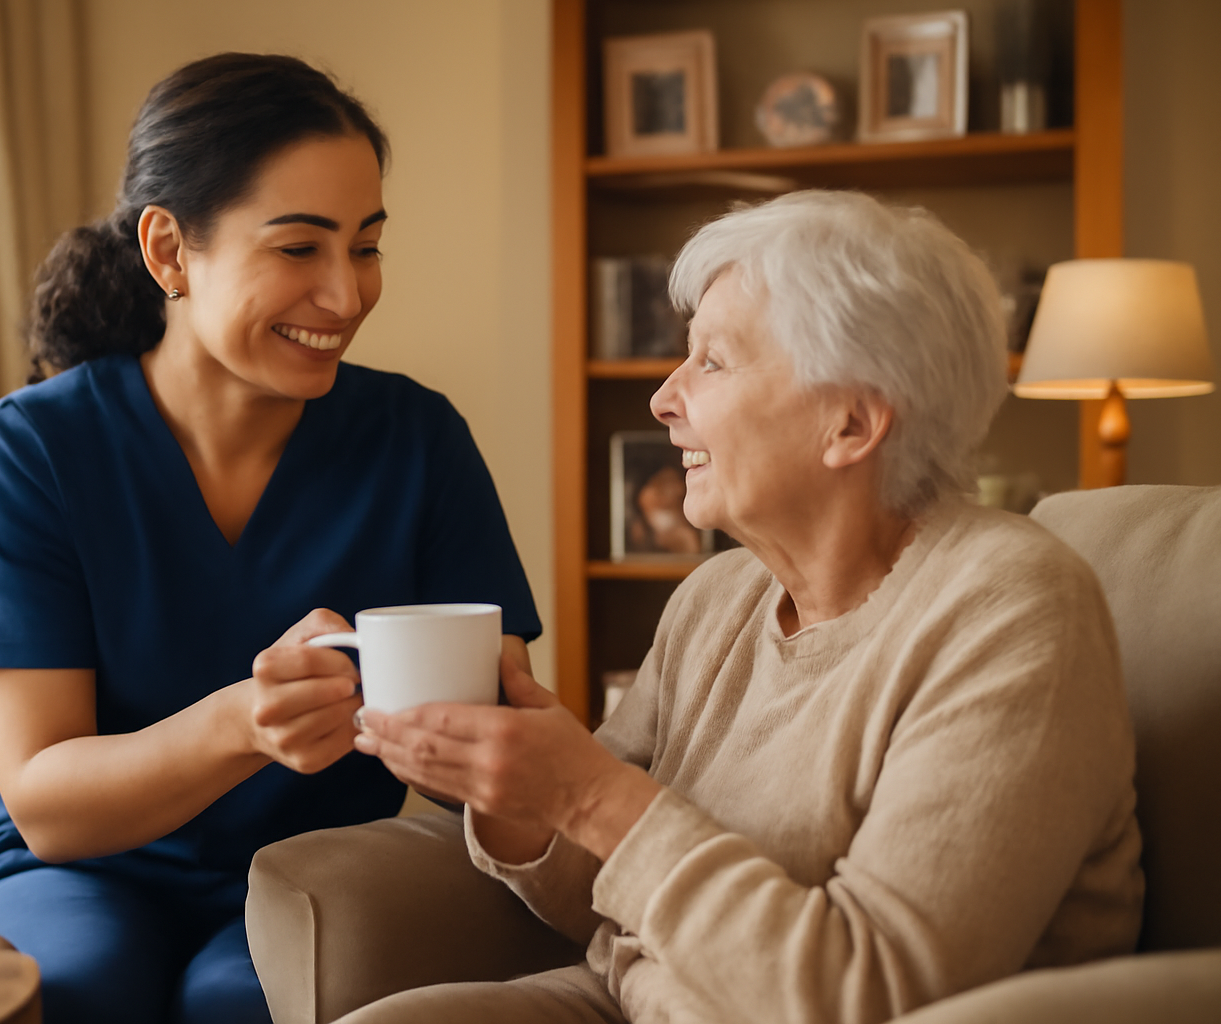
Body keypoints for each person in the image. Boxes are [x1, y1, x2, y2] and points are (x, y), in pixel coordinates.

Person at [346, 191, 1142, 1023]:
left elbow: (874, 994)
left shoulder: (1011, 611)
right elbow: (608, 893)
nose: (664, 399)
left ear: (850, 423)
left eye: (713, 362)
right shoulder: (716, 598)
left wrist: (589, 794)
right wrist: (516, 790)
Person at [0, 53, 540, 1024]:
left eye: (366, 247)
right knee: (78, 985)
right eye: (299, 248)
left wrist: (516, 758)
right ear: (169, 251)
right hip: (68, 863)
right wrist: (243, 724)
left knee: (242, 1002)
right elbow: (47, 802)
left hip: (306, 869)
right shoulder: (32, 449)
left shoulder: (417, 441)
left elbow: (492, 751)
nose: (346, 295)